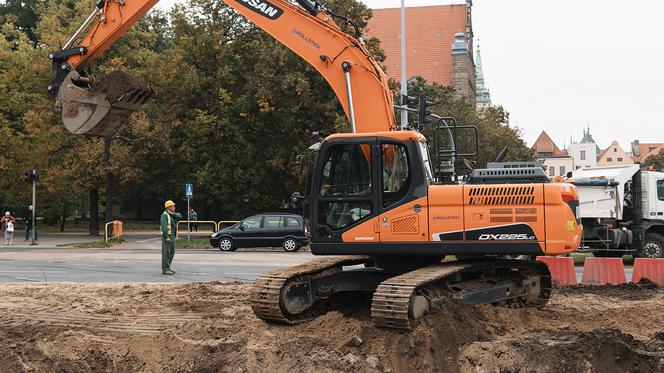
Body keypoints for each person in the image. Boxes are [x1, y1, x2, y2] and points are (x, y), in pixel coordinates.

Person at [160, 200, 182, 275]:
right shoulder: (164, 215)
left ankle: (168, 267)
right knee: (166, 253)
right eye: (173, 206)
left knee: (172, 252)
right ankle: (165, 269)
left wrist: (172, 213)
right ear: (169, 207)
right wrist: (166, 237)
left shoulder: (170, 215)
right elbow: (164, 227)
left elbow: (180, 216)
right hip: (167, 237)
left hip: (172, 237)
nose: (174, 207)